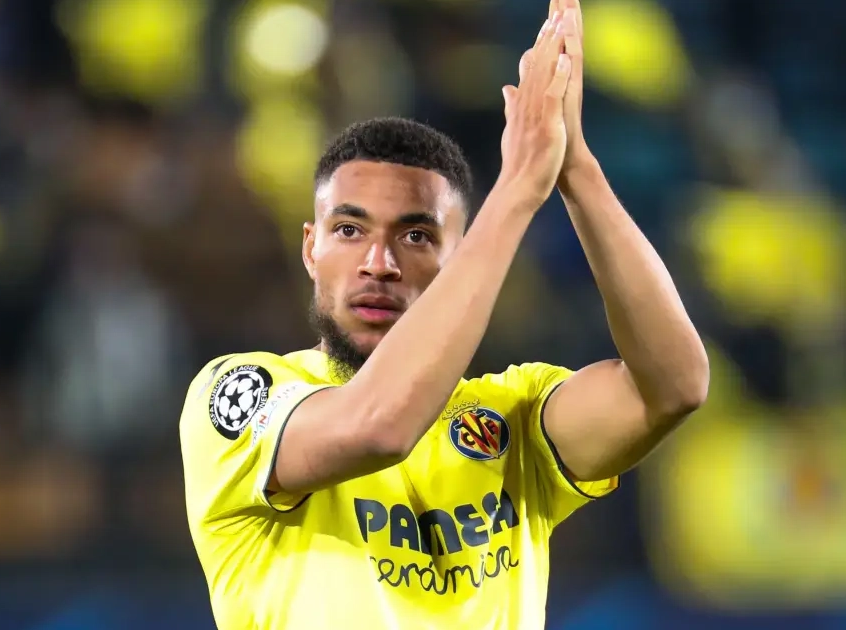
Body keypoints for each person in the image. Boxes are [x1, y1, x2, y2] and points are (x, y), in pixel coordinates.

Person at [180, 2, 708, 628]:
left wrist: (576, 171)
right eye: (349, 230)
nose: (378, 263)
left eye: (417, 236)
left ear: (460, 259)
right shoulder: (239, 394)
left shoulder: (510, 418)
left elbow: (674, 386)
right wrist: (517, 188)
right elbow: (377, 427)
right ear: (310, 250)